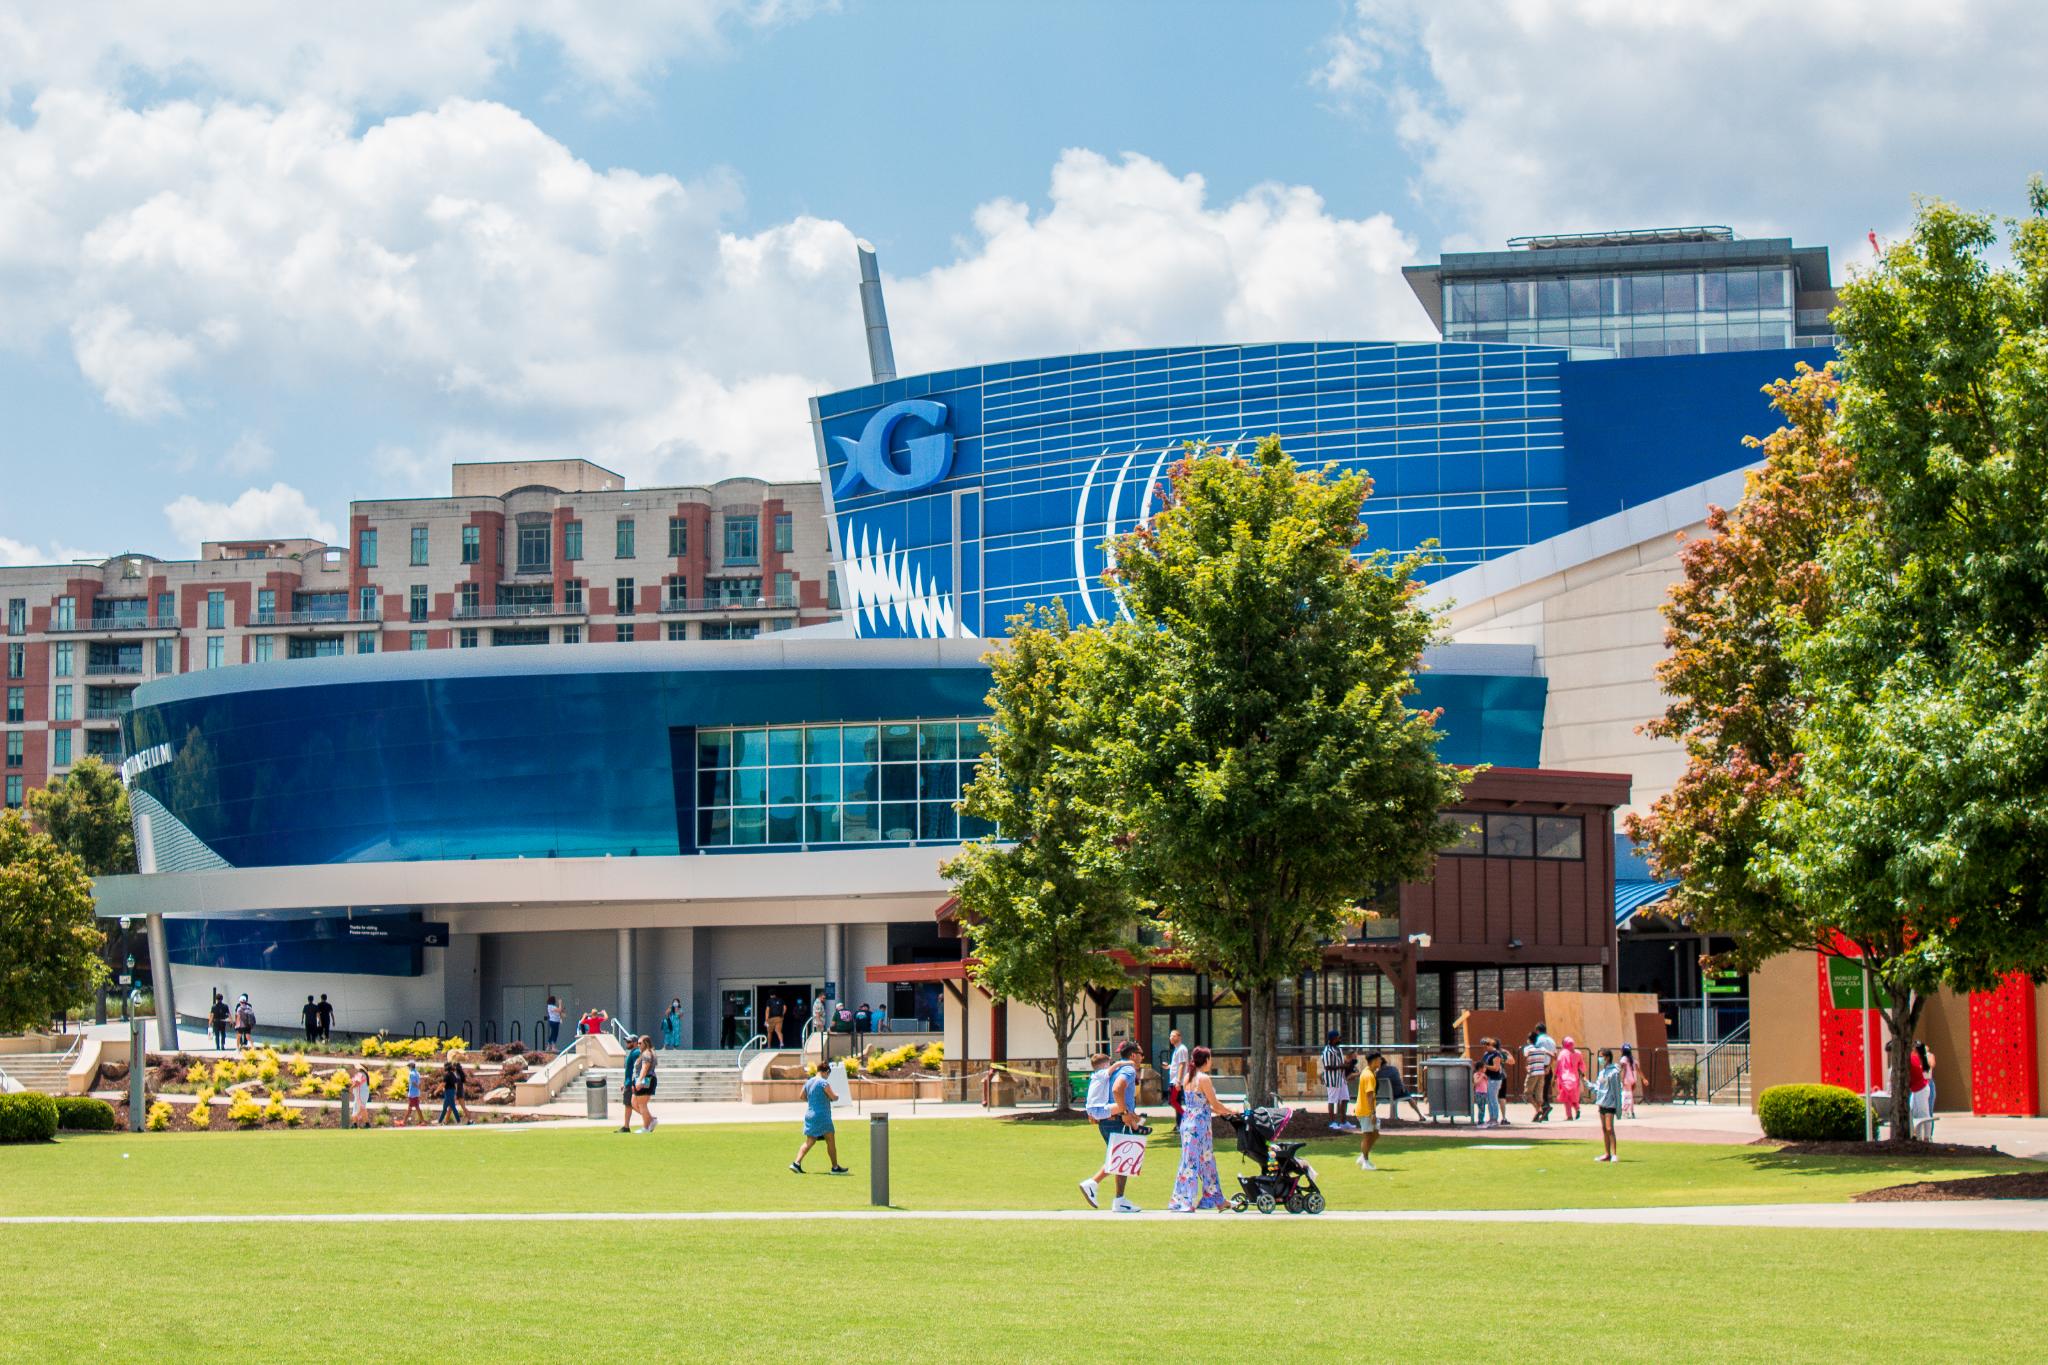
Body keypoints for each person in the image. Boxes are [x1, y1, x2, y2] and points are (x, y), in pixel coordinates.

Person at [1079, 1041, 1147, 1213]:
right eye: (1140, 1054)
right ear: (1133, 1055)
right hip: (1115, 1119)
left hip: (1109, 1118)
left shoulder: (1116, 1070)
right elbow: (1117, 1090)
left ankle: (1120, 1200)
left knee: (1123, 1156)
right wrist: (1125, 1112)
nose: (1142, 1057)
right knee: (1121, 1156)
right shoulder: (1129, 1070)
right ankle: (1093, 1184)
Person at [1167, 1046, 1228, 1211]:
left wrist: (1225, 1112)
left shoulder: (1188, 1077)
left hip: (1189, 1122)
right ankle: (1185, 1201)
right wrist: (1233, 1111)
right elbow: (1214, 1104)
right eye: (1210, 1058)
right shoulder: (1204, 1078)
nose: (1211, 1061)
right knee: (1195, 1161)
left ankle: (1215, 1199)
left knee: (1203, 1161)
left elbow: (1204, 1104)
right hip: (1199, 1125)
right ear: (1206, 1060)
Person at [790, 1060, 847, 1174]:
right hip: (822, 1116)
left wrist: (813, 1101)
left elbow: (802, 1096)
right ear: (826, 1072)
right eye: (828, 1074)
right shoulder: (823, 1083)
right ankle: (835, 1167)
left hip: (810, 1115)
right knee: (830, 1141)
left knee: (810, 1141)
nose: (827, 1077)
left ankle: (796, 1163)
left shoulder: (809, 1082)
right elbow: (833, 1096)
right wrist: (837, 1096)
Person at [1589, 1048, 1623, 1161]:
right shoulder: (1602, 1072)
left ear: (1607, 1057)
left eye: (1601, 1056)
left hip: (1610, 1103)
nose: (1600, 1059)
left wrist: (1618, 1106)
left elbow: (1617, 1090)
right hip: (1602, 1103)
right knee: (1604, 1128)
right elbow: (1597, 1088)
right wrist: (1586, 1082)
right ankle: (1607, 1153)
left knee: (1609, 1128)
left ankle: (1614, 1154)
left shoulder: (1614, 1072)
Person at [1319, 1029, 1354, 1132]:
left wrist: (1346, 1064)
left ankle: (1343, 1121)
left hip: (1341, 1078)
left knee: (1345, 1098)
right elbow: (1327, 1066)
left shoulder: (1338, 1049)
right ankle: (1332, 1122)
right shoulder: (1327, 1051)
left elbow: (1339, 1063)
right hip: (1332, 1079)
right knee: (1332, 1100)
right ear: (1333, 1039)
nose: (1340, 1039)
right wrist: (1341, 1066)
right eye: (1338, 1037)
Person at [1357, 1053, 1385, 1170]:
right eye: (1379, 1060)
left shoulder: (1369, 1072)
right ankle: (1365, 1161)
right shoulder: (1368, 1075)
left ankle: (1363, 1156)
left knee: (1375, 1134)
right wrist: (1372, 1113)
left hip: (1366, 1110)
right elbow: (1369, 1095)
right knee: (1368, 1136)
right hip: (1366, 1111)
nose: (1381, 1062)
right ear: (1373, 1061)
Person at [1522, 1028, 1554, 1121]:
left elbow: (1526, 1056)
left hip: (1532, 1072)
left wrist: (1526, 1066)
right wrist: (1548, 1067)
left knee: (1527, 1093)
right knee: (1539, 1093)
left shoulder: (1528, 1048)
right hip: (1541, 1073)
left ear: (1529, 1040)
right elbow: (1552, 1055)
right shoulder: (1542, 1048)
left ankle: (1538, 1109)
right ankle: (1540, 1110)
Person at [1553, 1036, 1585, 1121]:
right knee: (1573, 1095)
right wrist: (1581, 1073)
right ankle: (1577, 1108)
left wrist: (1555, 1077)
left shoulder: (1563, 1053)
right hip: (1575, 1077)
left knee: (1566, 1097)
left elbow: (1559, 1066)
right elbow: (1582, 1065)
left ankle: (1569, 1116)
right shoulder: (1578, 1053)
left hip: (1565, 1078)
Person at [1908, 1039, 1934, 1140]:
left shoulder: (1919, 1058)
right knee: (1915, 1113)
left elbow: (1929, 1069)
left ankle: (1927, 1137)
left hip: (1922, 1088)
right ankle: (1918, 1137)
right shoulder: (1913, 1058)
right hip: (1916, 1089)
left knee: (1924, 1113)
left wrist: (1924, 1053)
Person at [633, 1035, 659, 1135]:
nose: (638, 1045)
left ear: (646, 1043)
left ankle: (646, 1127)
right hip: (647, 1078)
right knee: (634, 1102)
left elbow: (645, 1067)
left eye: (640, 1043)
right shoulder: (647, 1053)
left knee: (642, 1104)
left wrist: (640, 1080)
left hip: (646, 1079)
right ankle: (651, 1120)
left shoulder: (647, 1053)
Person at [1165, 1028, 1190, 1124]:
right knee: (1175, 1102)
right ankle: (1179, 1123)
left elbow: (1182, 1065)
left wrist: (1178, 1081)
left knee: (1172, 1101)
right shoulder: (1176, 1049)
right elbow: (1177, 1064)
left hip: (1177, 1081)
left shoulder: (1182, 1049)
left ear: (1179, 1037)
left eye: (1173, 1036)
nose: (1171, 1038)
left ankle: (1185, 1117)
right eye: (1170, 1036)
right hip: (1174, 1080)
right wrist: (1169, 1066)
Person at [438, 1049, 468, 1125]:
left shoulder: (453, 1070)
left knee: (455, 1107)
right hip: (455, 1090)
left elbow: (455, 1082)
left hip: (454, 1091)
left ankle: (464, 1120)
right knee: (451, 1107)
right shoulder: (456, 1069)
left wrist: (455, 1092)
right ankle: (445, 1121)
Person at [620, 1034, 643, 1132]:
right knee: (628, 1104)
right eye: (627, 1041)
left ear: (635, 1043)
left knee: (633, 1104)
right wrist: (624, 1082)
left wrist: (635, 1082)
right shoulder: (633, 1052)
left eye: (629, 1042)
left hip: (631, 1083)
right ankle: (626, 1126)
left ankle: (650, 1119)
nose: (627, 1043)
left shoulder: (636, 1052)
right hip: (628, 1082)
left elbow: (638, 1068)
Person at [1618, 1044, 1640, 1120]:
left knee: (1625, 1095)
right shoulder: (1633, 1059)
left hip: (1626, 1079)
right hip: (1632, 1079)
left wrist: (1622, 1079)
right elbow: (1636, 1069)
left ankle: (1625, 1111)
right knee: (1630, 1096)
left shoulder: (1624, 1059)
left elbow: (1624, 1070)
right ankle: (1632, 1112)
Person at [400, 1060, 424, 1126]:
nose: (408, 1068)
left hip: (412, 1093)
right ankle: (422, 1121)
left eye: (409, 1066)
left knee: (411, 1108)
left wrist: (418, 1087)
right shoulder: (417, 1073)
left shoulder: (411, 1074)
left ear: (411, 1066)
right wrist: (419, 1088)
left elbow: (413, 1083)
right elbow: (419, 1082)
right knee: (416, 1107)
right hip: (416, 1093)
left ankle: (404, 1122)